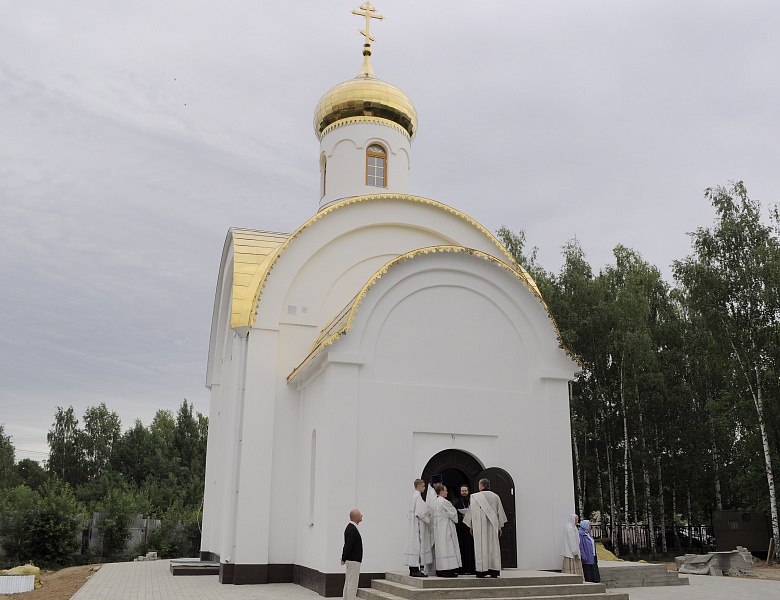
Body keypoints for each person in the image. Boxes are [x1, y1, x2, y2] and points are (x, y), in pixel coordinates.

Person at [464, 478, 507, 578]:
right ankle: (494, 570)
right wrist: (499, 526)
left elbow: (472, 513)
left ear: (481, 486)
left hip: (480, 527)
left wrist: (472, 526)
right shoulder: (495, 496)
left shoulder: (475, 497)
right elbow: (500, 512)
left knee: (482, 547)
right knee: (492, 547)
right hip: (492, 527)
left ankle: (482, 571)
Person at [404, 478, 433, 577]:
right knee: (417, 547)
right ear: (419, 486)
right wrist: (428, 514)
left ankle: (412, 569)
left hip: (413, 525)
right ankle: (416, 570)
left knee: (413, 546)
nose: (424, 488)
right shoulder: (418, 498)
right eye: (423, 486)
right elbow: (420, 512)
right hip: (418, 527)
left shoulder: (412, 497)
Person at [432, 483, 462, 577]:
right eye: (445, 490)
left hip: (438, 528)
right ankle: (449, 570)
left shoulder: (436, 501)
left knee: (441, 549)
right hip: (446, 528)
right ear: (441, 491)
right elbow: (453, 513)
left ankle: (441, 569)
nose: (447, 492)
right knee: (449, 548)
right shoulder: (445, 502)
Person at [341, 509, 363, 600]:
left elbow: (347, 545)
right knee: (352, 585)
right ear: (355, 517)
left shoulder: (349, 528)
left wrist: (344, 557)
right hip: (353, 561)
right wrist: (343, 557)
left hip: (350, 560)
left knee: (348, 583)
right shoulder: (352, 529)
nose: (362, 516)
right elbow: (348, 546)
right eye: (360, 514)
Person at [453, 484, 475, 574]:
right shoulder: (457, 502)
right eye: (462, 491)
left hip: (470, 528)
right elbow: (453, 514)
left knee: (470, 548)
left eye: (465, 491)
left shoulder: (473, 502)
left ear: (468, 491)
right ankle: (462, 569)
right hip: (461, 529)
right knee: (462, 548)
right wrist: (460, 516)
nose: (464, 493)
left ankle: (471, 569)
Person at [561, 514, 583, 579]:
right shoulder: (570, 528)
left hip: (573, 552)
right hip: (571, 553)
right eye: (576, 520)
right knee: (572, 568)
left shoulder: (573, 527)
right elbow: (572, 542)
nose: (577, 521)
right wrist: (575, 553)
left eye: (577, 520)